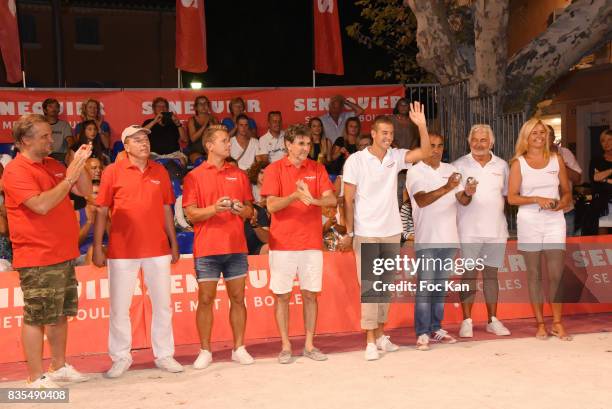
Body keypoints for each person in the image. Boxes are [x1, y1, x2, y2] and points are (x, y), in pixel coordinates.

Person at [3, 114, 92, 387]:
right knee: (36, 316)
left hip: (63, 252)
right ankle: (34, 377)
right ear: (23, 141)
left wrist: (79, 165)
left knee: (59, 314)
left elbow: (86, 191)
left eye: (50, 135)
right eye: (43, 136)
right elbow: (40, 205)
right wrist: (67, 181)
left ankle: (59, 365)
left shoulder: (53, 164)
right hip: (37, 256)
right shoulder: (16, 171)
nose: (50, 139)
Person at [340, 103, 432, 361]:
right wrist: (350, 231)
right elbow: (348, 199)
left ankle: (380, 335)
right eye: (383, 132)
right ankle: (369, 340)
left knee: (383, 287)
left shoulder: (395, 156)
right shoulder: (356, 161)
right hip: (367, 231)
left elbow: (424, 151)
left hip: (392, 231)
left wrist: (421, 125)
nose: (387, 137)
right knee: (370, 288)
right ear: (372, 132)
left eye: (390, 133)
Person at [93, 125, 183, 378]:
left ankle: (164, 354)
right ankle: (121, 356)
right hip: (122, 250)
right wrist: (97, 246)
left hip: (157, 248)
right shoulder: (112, 171)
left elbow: (167, 209)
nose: (144, 143)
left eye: (145, 138)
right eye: (137, 139)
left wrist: (173, 243)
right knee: (120, 308)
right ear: (126, 145)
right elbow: (101, 210)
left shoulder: (160, 171)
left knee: (163, 305)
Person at [261, 124, 336, 364]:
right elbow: (271, 206)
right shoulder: (274, 170)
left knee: (310, 295)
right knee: (282, 296)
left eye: (308, 143)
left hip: (311, 243)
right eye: (301, 143)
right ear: (288, 145)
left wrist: (312, 199)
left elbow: (332, 199)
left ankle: (309, 345)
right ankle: (285, 346)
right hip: (282, 244)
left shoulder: (317, 168)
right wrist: (294, 196)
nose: (306, 148)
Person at [182, 124, 255, 369]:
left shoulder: (240, 174)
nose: (229, 144)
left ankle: (239, 347)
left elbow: (250, 210)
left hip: (235, 246)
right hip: (207, 248)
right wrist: (215, 208)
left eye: (229, 140)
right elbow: (191, 214)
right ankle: (205, 350)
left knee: (238, 297)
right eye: (224, 140)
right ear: (209, 145)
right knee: (205, 299)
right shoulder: (194, 176)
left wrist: (238, 209)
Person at [507, 118, 573, 341]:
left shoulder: (557, 160)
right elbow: (512, 198)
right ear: (526, 137)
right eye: (534, 133)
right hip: (529, 222)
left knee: (556, 274)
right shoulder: (518, 163)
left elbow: (566, 192)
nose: (539, 137)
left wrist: (561, 204)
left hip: (555, 222)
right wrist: (536, 199)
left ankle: (557, 322)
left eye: (542, 133)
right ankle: (540, 324)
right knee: (534, 275)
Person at [406, 133, 466, 351]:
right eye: (431, 146)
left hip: (450, 238)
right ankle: (422, 332)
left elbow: (463, 201)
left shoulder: (450, 170)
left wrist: (468, 192)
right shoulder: (415, 171)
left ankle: (435, 328)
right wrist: (447, 188)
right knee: (425, 288)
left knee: (439, 288)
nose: (436, 150)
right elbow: (421, 200)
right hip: (427, 239)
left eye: (440, 145)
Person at [452, 124, 511, 338]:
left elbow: (506, 196)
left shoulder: (502, 165)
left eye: (483, 140)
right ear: (469, 142)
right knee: (468, 275)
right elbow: (460, 200)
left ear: (491, 143)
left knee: (491, 276)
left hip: (496, 230)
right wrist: (467, 193)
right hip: (468, 231)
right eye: (475, 140)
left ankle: (492, 320)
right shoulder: (458, 165)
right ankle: (466, 321)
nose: (478, 144)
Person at [547, 126, 582, 236]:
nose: (544, 137)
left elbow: (578, 179)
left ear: (553, 137)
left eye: (549, 135)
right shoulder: (532, 157)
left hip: (566, 211)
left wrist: (560, 164)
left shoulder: (565, 153)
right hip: (543, 212)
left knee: (568, 247)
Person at [142, 97, 188, 165]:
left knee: (182, 160)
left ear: (167, 109)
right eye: (159, 106)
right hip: (154, 155)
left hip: (173, 154)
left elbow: (185, 139)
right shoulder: (148, 122)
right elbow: (141, 133)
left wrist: (177, 123)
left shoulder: (174, 123)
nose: (162, 108)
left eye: (164, 106)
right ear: (154, 109)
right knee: (144, 160)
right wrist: (155, 121)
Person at [589, 129, 612, 234]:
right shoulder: (596, 160)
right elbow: (595, 178)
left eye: (609, 139)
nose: (606, 143)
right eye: (603, 141)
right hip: (602, 204)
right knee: (602, 238)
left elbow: (600, 177)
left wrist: (604, 178)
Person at [186, 95, 217, 164]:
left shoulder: (214, 119)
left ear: (208, 106)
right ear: (196, 107)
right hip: (195, 151)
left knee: (215, 161)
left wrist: (211, 123)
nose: (203, 105)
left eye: (205, 103)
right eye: (200, 104)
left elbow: (216, 136)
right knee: (200, 161)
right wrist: (205, 124)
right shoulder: (192, 120)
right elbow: (193, 138)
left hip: (210, 151)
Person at [42, 98, 72, 163]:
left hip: (61, 157)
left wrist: (70, 153)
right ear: (45, 110)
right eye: (50, 106)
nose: (54, 109)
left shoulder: (64, 125)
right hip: (44, 156)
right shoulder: (40, 125)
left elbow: (70, 141)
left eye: (56, 107)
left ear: (59, 110)